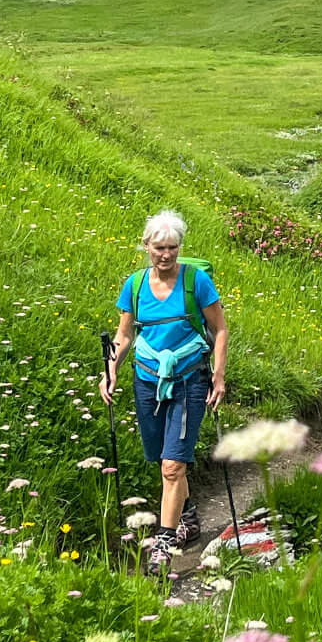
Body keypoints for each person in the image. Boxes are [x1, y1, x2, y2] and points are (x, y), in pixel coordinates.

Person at [101, 210, 226, 575]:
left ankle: (163, 544)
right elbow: (124, 336)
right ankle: (187, 515)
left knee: (173, 466)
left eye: (173, 248)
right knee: (160, 458)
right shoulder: (136, 286)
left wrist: (218, 376)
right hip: (147, 378)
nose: (166, 255)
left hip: (190, 379)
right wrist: (110, 372)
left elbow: (219, 329)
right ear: (146, 247)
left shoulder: (196, 282)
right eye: (159, 248)